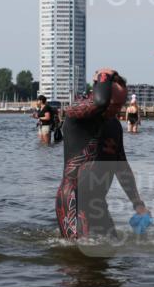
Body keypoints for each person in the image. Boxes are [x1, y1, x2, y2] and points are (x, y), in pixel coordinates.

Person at [56, 69, 147, 239]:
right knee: (79, 257)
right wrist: (103, 77)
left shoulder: (114, 126)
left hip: (98, 204)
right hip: (74, 201)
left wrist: (138, 204)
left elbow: (122, 168)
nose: (118, 110)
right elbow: (99, 102)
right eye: (114, 105)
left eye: (121, 105)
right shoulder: (78, 116)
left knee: (110, 248)